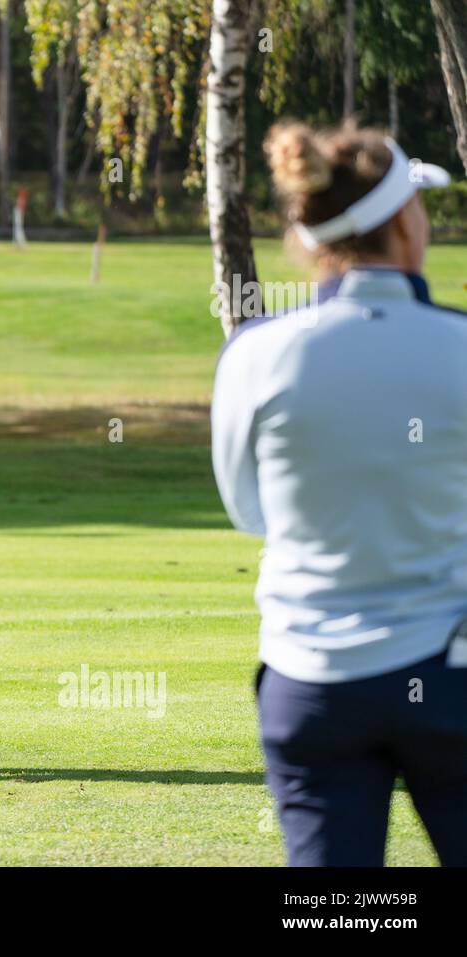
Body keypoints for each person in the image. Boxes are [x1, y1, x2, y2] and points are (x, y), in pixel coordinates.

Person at [212, 121, 467, 866]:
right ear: (400, 222)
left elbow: (247, 510)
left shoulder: (256, 353)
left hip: (311, 683)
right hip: (449, 680)